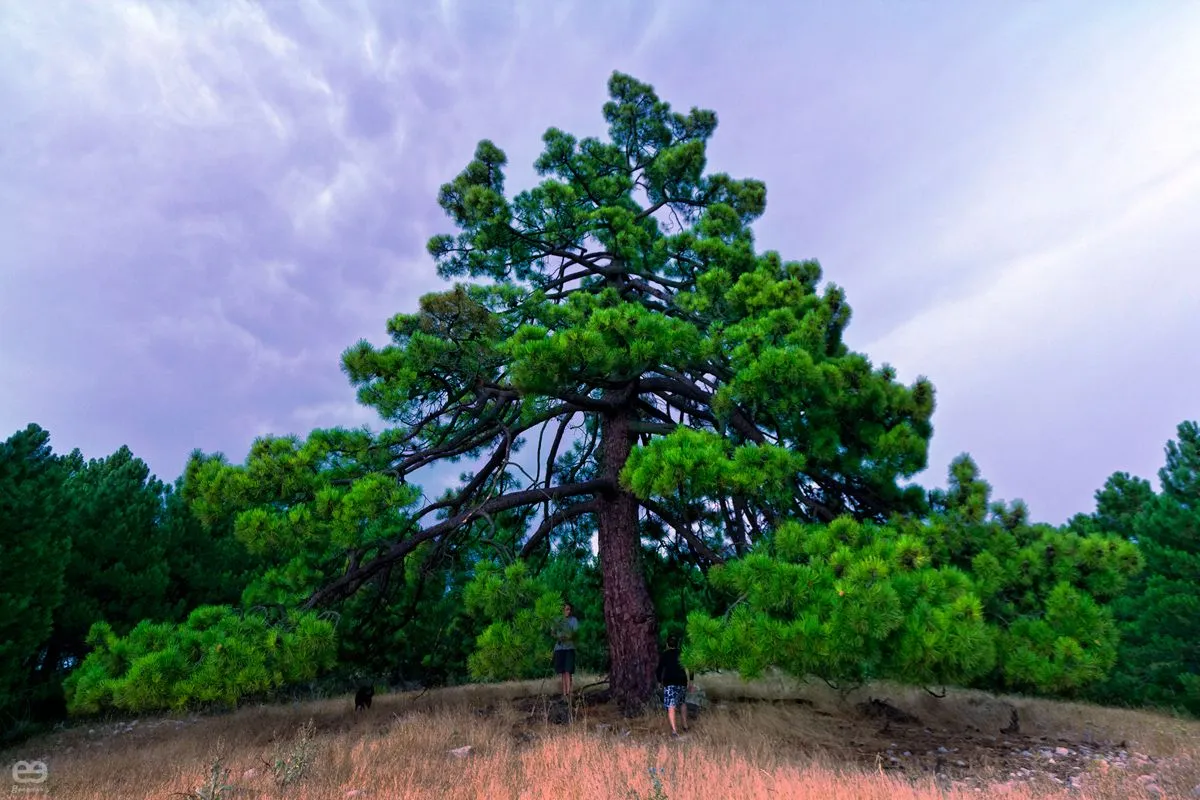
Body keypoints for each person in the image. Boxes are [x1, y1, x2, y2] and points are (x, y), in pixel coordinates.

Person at [656, 633, 694, 736]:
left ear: (667, 644)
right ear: (677, 644)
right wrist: (690, 682)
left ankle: (674, 730)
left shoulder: (665, 655)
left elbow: (659, 669)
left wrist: (659, 681)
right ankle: (685, 726)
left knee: (671, 705)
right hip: (682, 682)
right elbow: (690, 667)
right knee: (682, 702)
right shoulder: (682, 654)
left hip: (670, 683)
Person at [553, 602, 579, 696]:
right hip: (559, 648)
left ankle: (569, 692)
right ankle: (564, 693)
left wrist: (568, 637)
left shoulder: (573, 620)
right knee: (563, 671)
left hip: (569, 648)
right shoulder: (557, 620)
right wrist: (558, 637)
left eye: (568, 609)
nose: (567, 611)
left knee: (568, 670)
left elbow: (575, 633)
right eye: (565, 609)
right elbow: (553, 632)